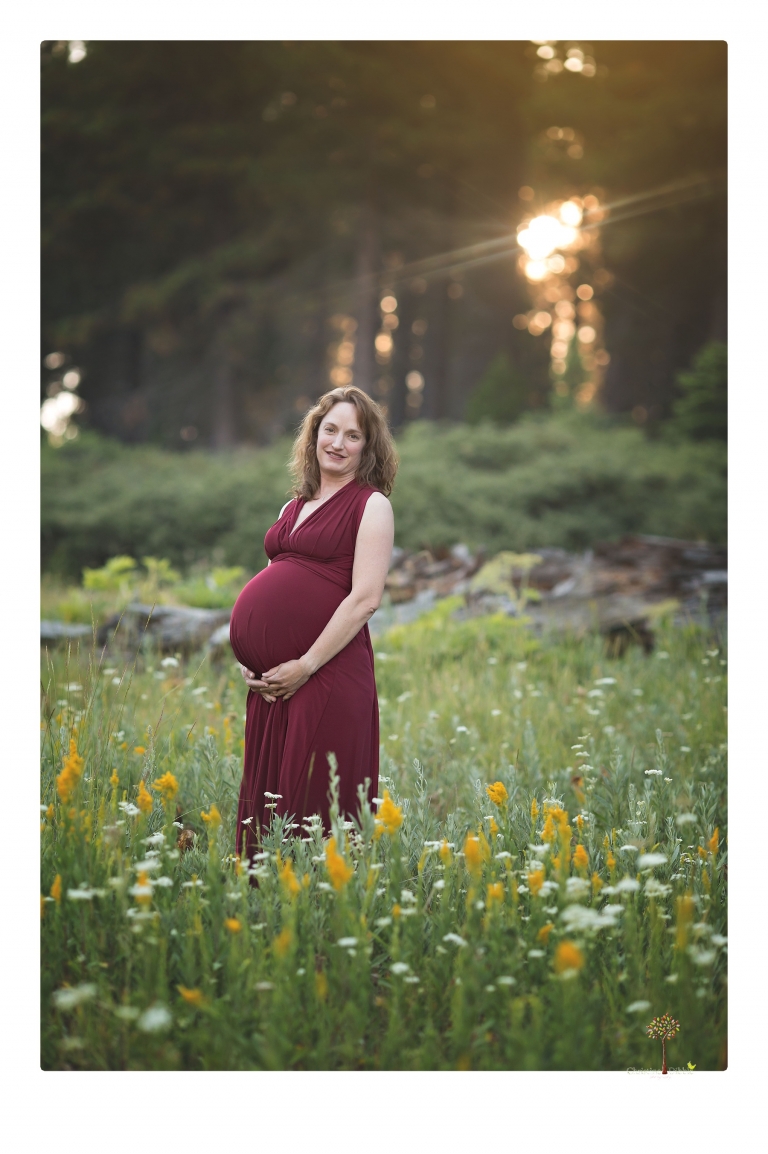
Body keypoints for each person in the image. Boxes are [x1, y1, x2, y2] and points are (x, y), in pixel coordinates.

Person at [229, 386, 397, 862]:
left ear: (368, 447)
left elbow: (365, 598)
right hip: (273, 685)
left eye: (353, 435)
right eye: (330, 430)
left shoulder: (371, 506)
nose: (338, 443)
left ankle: (319, 911)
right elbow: (272, 579)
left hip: (327, 675)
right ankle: (265, 912)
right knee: (271, 801)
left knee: (315, 801)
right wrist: (252, 661)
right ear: (314, 435)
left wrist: (305, 664)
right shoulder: (292, 507)